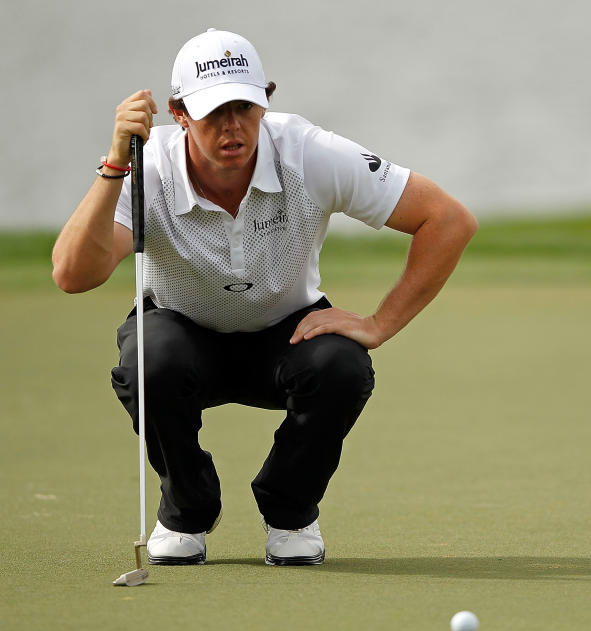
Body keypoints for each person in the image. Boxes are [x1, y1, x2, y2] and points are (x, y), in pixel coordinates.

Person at [51, 28, 476, 566]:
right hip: (180, 335)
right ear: (180, 114)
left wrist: (380, 323)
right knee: (147, 359)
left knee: (343, 366)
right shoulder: (148, 166)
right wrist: (114, 167)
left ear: (265, 102)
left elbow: (448, 219)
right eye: (214, 112)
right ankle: (185, 511)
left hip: (286, 332)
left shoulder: (308, 152)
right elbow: (72, 273)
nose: (233, 126)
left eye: (245, 107)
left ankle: (291, 512)